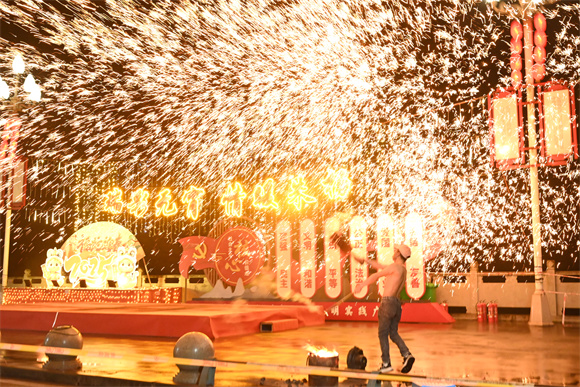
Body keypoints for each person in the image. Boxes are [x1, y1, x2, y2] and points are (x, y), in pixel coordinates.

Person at [331, 233, 415, 374]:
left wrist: (361, 285)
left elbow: (376, 275)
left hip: (387, 303)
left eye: (396, 251)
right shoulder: (401, 269)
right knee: (393, 333)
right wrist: (366, 260)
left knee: (383, 333)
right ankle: (407, 355)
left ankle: (386, 363)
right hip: (396, 305)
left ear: (399, 255)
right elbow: (380, 266)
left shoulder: (395, 267)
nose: (393, 252)